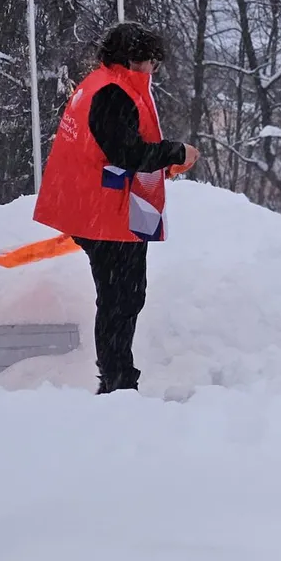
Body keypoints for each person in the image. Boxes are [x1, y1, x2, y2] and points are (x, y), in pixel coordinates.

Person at [32, 21, 199, 393]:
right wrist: (175, 152)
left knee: (121, 297)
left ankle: (117, 378)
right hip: (106, 213)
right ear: (134, 60)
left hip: (98, 206)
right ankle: (117, 383)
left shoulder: (103, 83)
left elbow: (113, 147)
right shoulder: (113, 93)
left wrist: (161, 161)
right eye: (152, 61)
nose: (155, 68)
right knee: (121, 299)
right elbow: (126, 152)